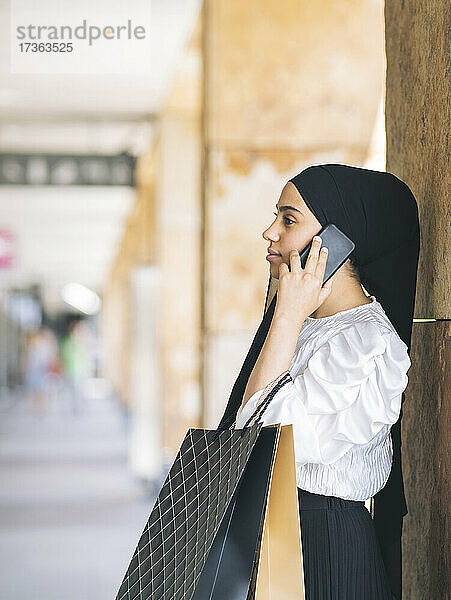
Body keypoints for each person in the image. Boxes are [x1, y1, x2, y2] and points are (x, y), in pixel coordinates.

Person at [217, 164, 420, 600]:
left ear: (336, 241)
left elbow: (271, 438)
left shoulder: (366, 342)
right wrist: (288, 317)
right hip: (276, 534)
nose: (269, 233)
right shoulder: (303, 324)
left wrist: (287, 316)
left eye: (288, 220)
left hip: (323, 545)